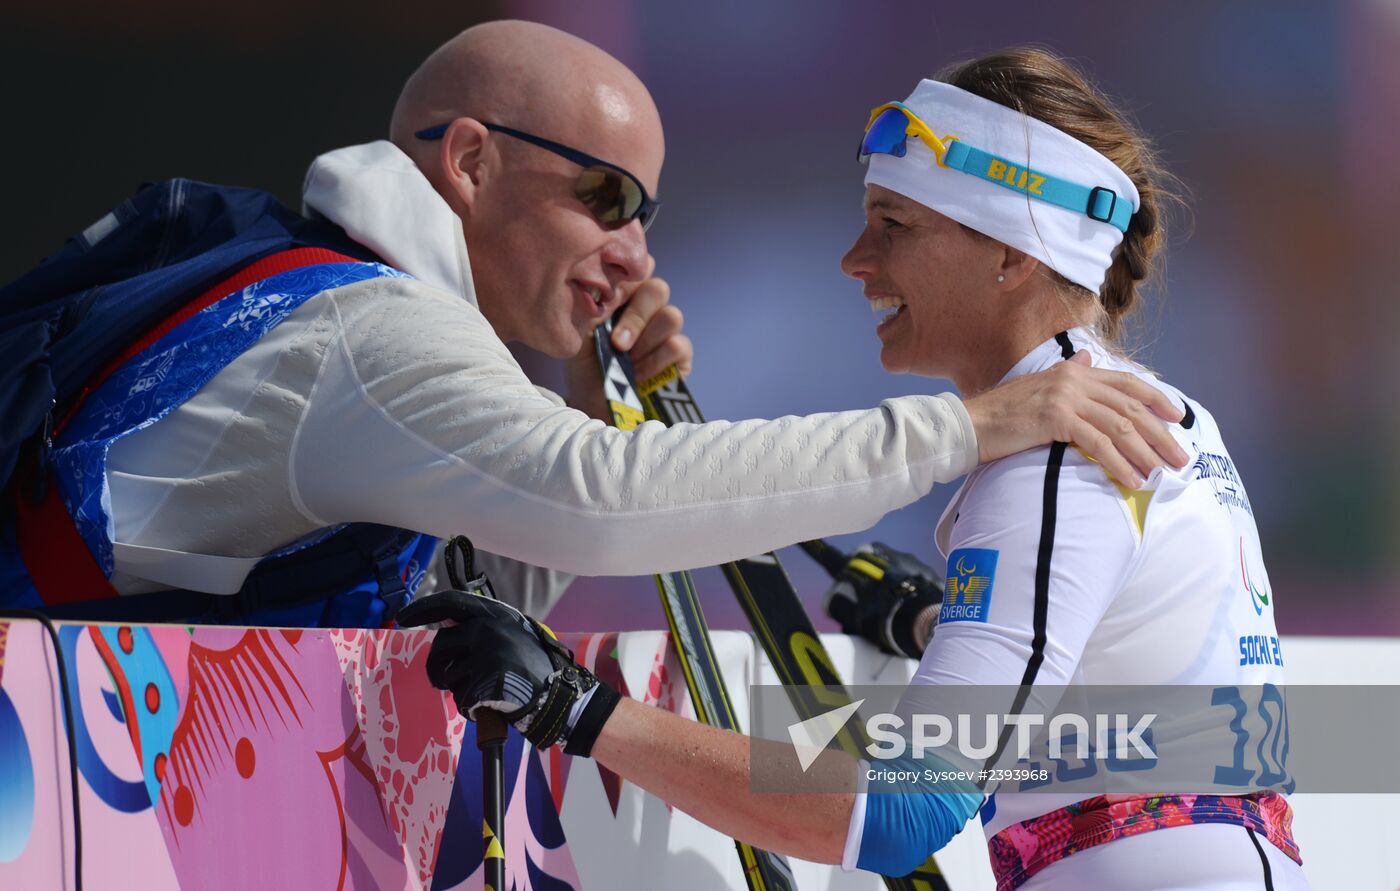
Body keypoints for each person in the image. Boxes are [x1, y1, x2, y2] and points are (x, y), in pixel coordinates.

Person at [400, 47, 1306, 890]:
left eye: (894, 224)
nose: (855, 260)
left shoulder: (1066, 452)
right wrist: (928, 625)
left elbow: (904, 808)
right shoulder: (1134, 407)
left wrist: (573, 708)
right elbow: (1116, 684)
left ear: (1013, 254)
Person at [0, 22, 1187, 628]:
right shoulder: (366, 334)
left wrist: (591, 389)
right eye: (606, 198)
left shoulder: (339, 306)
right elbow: (598, 500)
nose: (634, 251)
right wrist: (973, 425)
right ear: (467, 162)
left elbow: (495, 589)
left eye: (647, 213)